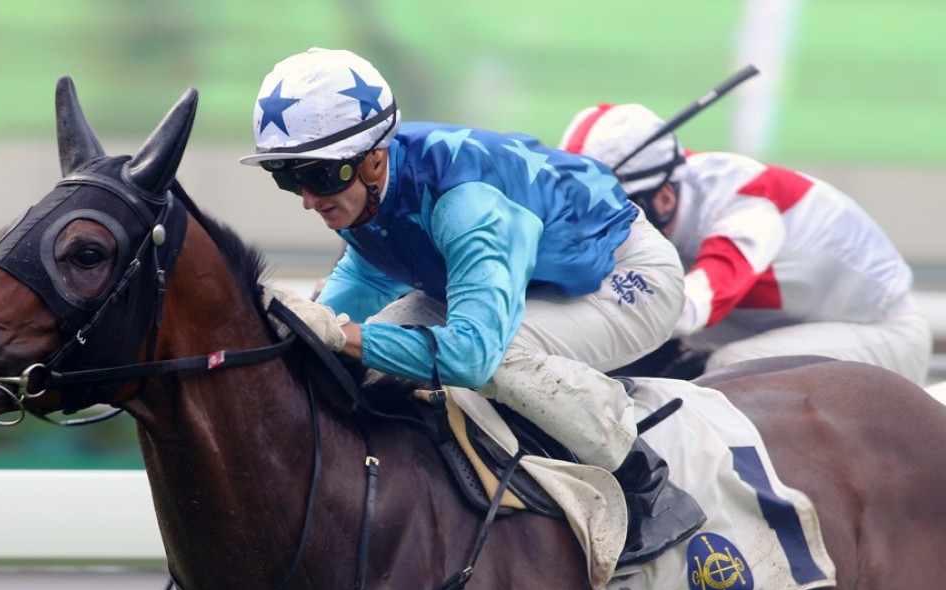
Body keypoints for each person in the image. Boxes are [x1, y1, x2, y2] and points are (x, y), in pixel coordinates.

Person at [240, 47, 703, 540]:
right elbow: (367, 283)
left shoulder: (466, 204)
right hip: (524, 277)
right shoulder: (363, 192)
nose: (309, 200)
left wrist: (342, 335)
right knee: (368, 354)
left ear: (375, 158)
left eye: (318, 176)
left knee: (499, 358)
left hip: (628, 278)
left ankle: (641, 477)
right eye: (288, 177)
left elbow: (471, 358)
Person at [559, 102, 932, 384]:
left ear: (666, 198)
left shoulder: (746, 208)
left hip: (881, 334)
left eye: (615, 210)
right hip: (770, 326)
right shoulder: (659, 184)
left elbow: (684, 309)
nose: (598, 226)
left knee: (732, 369)